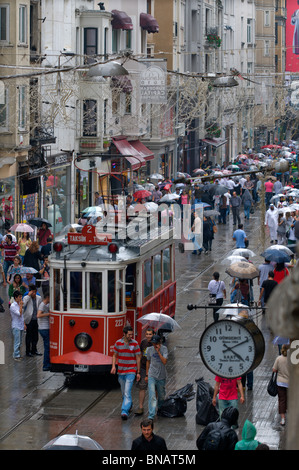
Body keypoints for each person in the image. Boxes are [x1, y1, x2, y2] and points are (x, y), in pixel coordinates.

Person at [111, 325, 141, 420]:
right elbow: (114, 355)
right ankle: (129, 404)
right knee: (124, 393)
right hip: (121, 371)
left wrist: (138, 372)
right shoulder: (118, 343)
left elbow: (138, 358)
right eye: (129, 334)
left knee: (127, 392)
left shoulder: (135, 344)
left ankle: (124, 411)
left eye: (132, 334)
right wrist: (113, 366)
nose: (131, 336)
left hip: (131, 371)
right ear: (124, 334)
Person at [146, 334, 168, 421]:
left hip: (161, 376)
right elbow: (148, 361)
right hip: (152, 375)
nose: (154, 345)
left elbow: (164, 361)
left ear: (159, 342)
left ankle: (160, 409)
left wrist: (158, 352)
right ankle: (151, 414)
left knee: (161, 395)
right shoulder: (149, 350)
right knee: (152, 395)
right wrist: (147, 374)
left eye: (156, 343)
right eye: (153, 343)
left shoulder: (164, 349)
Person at [135, 328, 154, 416]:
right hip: (143, 367)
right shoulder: (143, 342)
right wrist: (138, 370)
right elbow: (140, 354)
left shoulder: (156, 343)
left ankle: (154, 408)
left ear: (153, 334)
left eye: (150, 334)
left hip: (153, 369)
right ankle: (141, 407)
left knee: (154, 389)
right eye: (147, 334)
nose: (148, 336)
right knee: (142, 387)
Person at [23, 284, 42, 357]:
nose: (33, 294)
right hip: (29, 319)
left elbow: (40, 307)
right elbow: (23, 304)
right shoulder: (26, 297)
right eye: (32, 292)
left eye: (34, 292)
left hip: (36, 319)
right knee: (29, 336)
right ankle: (28, 351)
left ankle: (34, 350)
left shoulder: (39, 298)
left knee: (35, 336)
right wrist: (28, 295)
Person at [273, 344, 290, 426]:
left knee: (282, 400)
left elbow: (274, 369)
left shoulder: (279, 358)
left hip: (280, 382)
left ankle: (283, 419)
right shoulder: (293, 359)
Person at [10, 290, 25, 361]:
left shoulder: (19, 304)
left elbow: (22, 316)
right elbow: (19, 314)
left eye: (21, 297)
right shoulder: (13, 306)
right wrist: (21, 306)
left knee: (20, 341)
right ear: (15, 297)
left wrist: (24, 324)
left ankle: (18, 354)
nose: (20, 298)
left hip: (21, 325)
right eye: (19, 297)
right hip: (16, 326)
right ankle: (16, 355)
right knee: (17, 341)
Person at [37, 292, 50, 371]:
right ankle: (46, 365)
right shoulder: (42, 305)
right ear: (47, 297)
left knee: (47, 346)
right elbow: (38, 315)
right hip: (44, 328)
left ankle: (47, 363)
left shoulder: (46, 305)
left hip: (45, 328)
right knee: (47, 347)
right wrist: (48, 314)